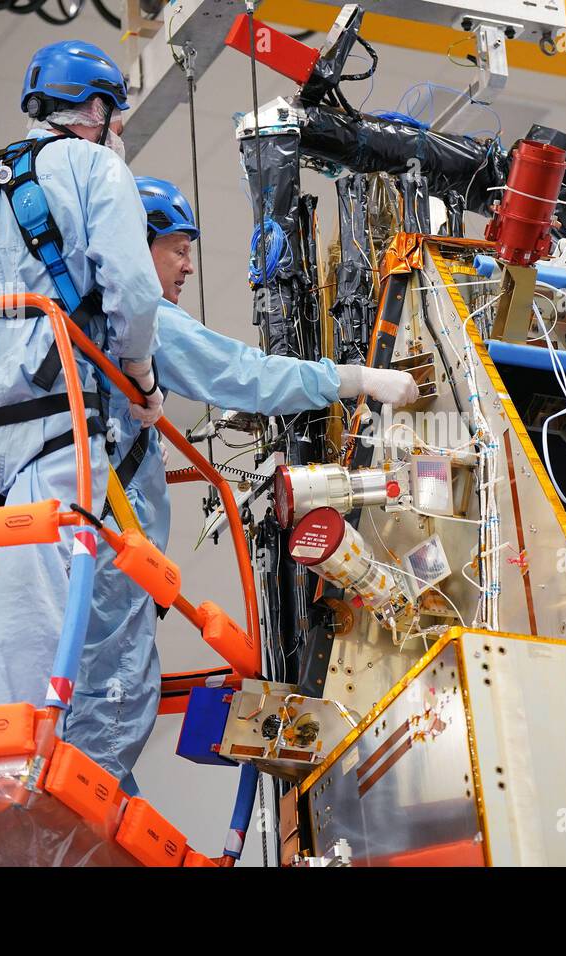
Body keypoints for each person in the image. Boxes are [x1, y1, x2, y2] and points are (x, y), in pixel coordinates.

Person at [63, 176, 417, 792]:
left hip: (79, 548)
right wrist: (355, 379)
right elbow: (244, 374)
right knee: (114, 696)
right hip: (110, 559)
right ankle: (83, 809)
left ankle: (74, 801)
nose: (188, 266)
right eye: (178, 249)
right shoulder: (140, 320)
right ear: (134, 247)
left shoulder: (67, 322)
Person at [0, 41, 164, 721]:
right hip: (54, 426)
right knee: (27, 609)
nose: (117, 131)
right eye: (116, 117)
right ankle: (14, 762)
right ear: (95, 109)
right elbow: (134, 291)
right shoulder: (97, 170)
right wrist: (138, 374)